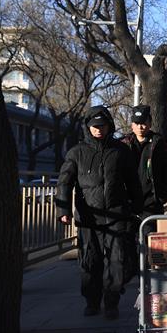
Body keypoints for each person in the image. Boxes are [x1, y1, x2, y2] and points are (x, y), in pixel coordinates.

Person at [56, 105, 142, 319]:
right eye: (94, 126)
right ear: (88, 127)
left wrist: (137, 209)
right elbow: (64, 182)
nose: (98, 130)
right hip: (88, 216)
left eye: (102, 126)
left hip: (118, 214)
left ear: (109, 126)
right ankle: (92, 301)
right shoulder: (76, 152)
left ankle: (111, 301)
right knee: (90, 262)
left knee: (118, 261)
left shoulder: (121, 151)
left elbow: (133, 182)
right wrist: (63, 209)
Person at [121, 105, 167, 216]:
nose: (140, 127)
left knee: (148, 232)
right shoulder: (124, 144)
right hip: (128, 200)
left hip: (152, 201)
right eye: (136, 124)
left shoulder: (159, 143)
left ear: (150, 123)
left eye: (143, 123)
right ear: (132, 125)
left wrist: (163, 197)